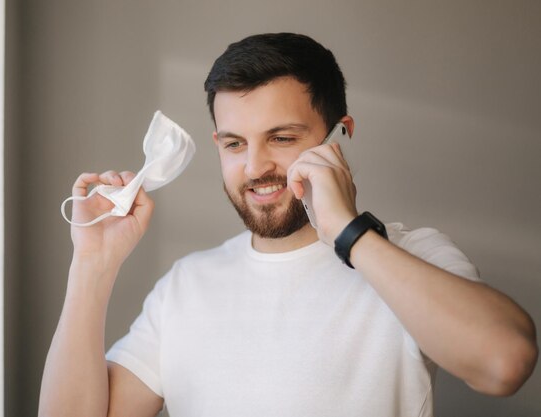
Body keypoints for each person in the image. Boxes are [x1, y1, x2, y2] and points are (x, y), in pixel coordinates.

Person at [39, 33, 538, 417]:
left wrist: (349, 232)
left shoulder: (412, 255)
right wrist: (92, 265)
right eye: (235, 144)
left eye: (280, 137)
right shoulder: (185, 287)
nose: (255, 167)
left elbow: (505, 362)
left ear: (340, 133)